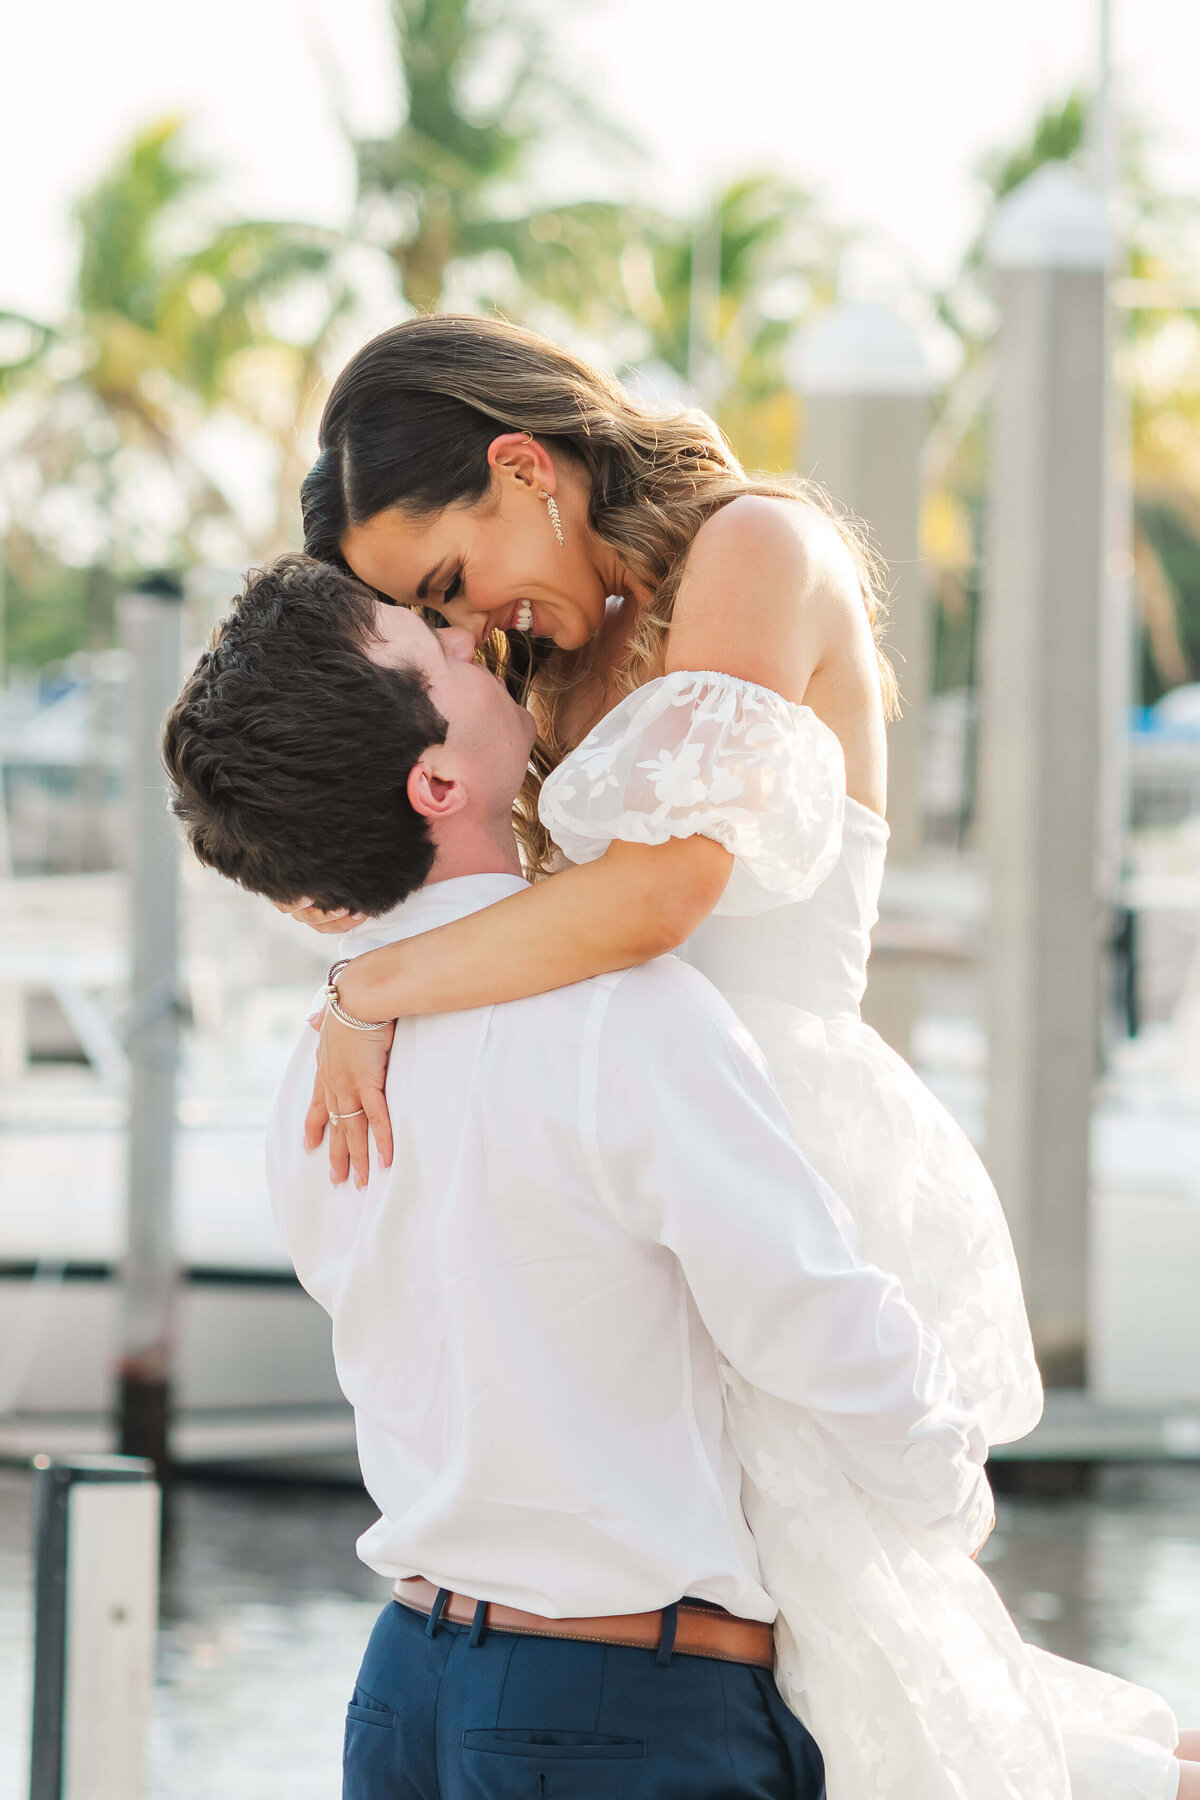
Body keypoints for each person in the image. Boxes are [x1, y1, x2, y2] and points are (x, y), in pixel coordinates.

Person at [279, 314, 1192, 1800]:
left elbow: (662, 895)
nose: (469, 624)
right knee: (821, 1656)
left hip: (777, 1147)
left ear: (527, 468)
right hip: (644, 1177)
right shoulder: (553, 659)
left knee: (858, 1637)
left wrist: (370, 989)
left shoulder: (754, 550)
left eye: (451, 581)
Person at [162, 553, 1000, 1800]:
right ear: (437, 781)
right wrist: (950, 1484)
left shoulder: (320, 1064)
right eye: (439, 652)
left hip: (406, 1692)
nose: (480, 646)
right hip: (619, 1707)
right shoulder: (626, 1015)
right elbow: (807, 1311)